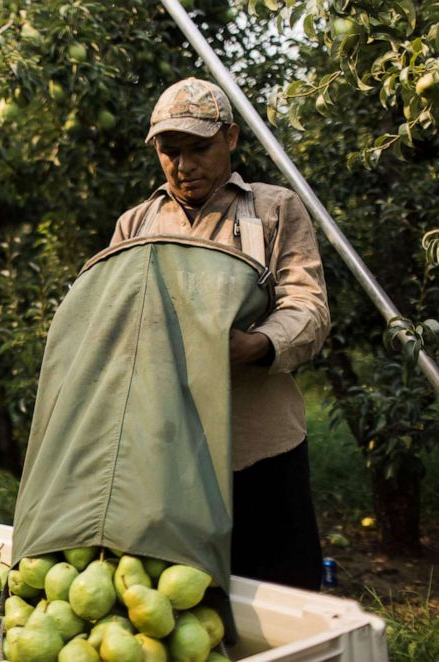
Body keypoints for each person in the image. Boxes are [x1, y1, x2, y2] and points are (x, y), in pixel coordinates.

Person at [109, 78, 331, 589]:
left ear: (230, 138)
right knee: (184, 602)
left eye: (199, 148)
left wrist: (258, 345)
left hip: (259, 446)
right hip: (167, 451)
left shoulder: (273, 210)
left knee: (279, 593)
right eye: (170, 152)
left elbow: (308, 306)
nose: (184, 166)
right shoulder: (135, 226)